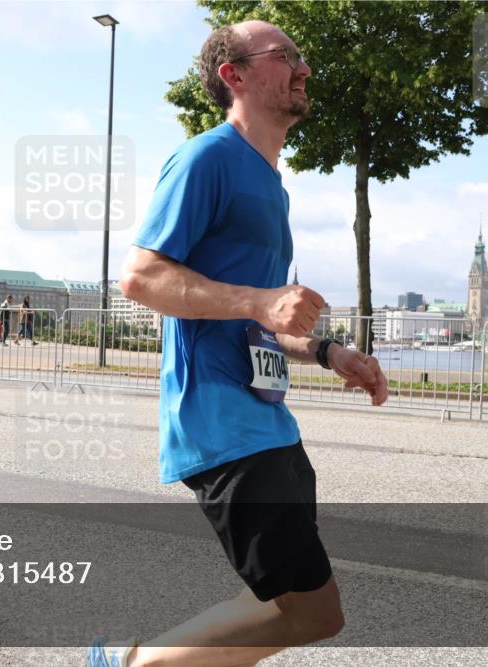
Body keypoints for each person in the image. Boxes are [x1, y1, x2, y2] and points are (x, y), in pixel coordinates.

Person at [89, 20, 388, 667]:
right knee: (310, 611)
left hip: (268, 422)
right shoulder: (207, 158)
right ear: (236, 75)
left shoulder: (272, 186)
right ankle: (123, 662)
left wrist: (332, 353)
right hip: (224, 425)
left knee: (299, 609)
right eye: (288, 55)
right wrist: (260, 299)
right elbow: (140, 276)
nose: (304, 68)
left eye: (303, 56)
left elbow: (266, 319)